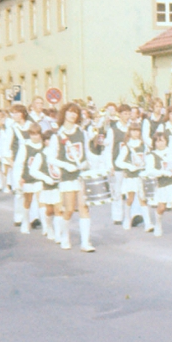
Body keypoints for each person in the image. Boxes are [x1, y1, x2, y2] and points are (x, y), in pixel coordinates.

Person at [50, 103, 96, 252]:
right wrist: (65, 165)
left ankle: (85, 242)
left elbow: (88, 152)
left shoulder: (82, 133)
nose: (73, 115)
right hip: (68, 176)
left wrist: (89, 163)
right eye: (70, 112)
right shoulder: (57, 136)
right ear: (64, 114)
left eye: (76, 112)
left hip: (81, 175)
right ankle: (65, 237)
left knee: (84, 207)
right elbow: (51, 158)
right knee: (68, 209)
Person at [115, 124, 152, 232]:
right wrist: (130, 167)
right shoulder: (127, 147)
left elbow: (148, 158)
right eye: (133, 131)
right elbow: (118, 162)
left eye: (137, 131)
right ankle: (127, 218)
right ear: (129, 132)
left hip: (140, 176)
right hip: (131, 177)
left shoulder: (143, 146)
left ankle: (148, 223)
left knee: (142, 198)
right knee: (130, 199)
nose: (135, 133)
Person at [145, 132, 172, 237]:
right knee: (162, 207)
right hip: (162, 183)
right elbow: (149, 170)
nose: (160, 143)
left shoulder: (171, 152)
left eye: (162, 140)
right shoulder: (152, 155)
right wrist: (162, 172)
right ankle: (158, 224)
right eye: (158, 141)